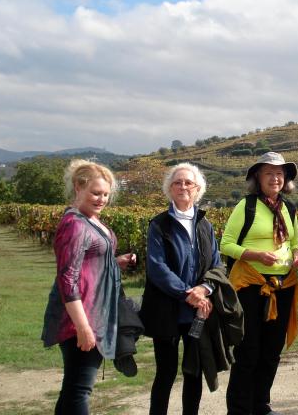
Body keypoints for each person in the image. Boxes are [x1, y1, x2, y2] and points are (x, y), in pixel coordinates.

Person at [42, 160, 137, 415]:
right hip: (81, 317)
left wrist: (115, 262)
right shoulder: (74, 224)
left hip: (95, 311)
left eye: (105, 194)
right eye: (96, 193)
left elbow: (88, 263)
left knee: (74, 388)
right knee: (80, 390)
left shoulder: (90, 220)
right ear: (78, 187)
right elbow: (67, 279)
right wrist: (83, 327)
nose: (101, 199)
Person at [221, 152, 298, 415]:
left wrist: (297, 255)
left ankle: (260, 405)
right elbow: (226, 244)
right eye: (269, 173)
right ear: (258, 177)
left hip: (283, 286)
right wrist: (255, 255)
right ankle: (239, 409)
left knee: (271, 351)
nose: (276, 178)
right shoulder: (246, 207)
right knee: (249, 351)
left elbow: (294, 243)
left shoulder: (288, 208)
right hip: (250, 287)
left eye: (280, 174)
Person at [139, 163, 223, 415]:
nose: (183, 186)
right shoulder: (159, 224)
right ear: (169, 189)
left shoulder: (205, 225)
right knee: (165, 373)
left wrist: (205, 289)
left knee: (193, 370)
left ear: (198, 189)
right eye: (177, 182)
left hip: (198, 311)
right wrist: (188, 293)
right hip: (166, 309)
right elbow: (157, 267)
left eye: (188, 182)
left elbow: (217, 264)